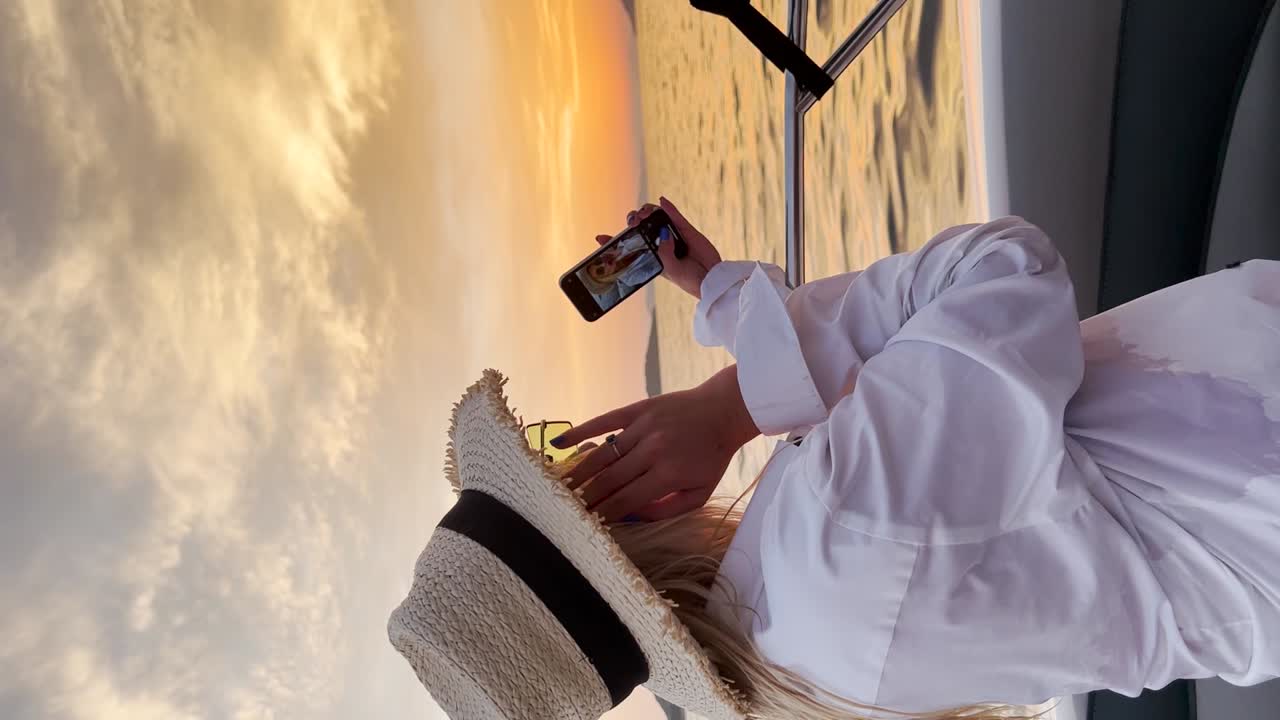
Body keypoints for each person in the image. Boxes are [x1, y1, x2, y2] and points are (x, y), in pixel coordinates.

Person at [390, 197, 1280, 719]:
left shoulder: (801, 668)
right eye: (566, 467)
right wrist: (730, 403)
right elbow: (1003, 269)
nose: (598, 442)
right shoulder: (828, 542)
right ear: (621, 507)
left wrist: (729, 301)